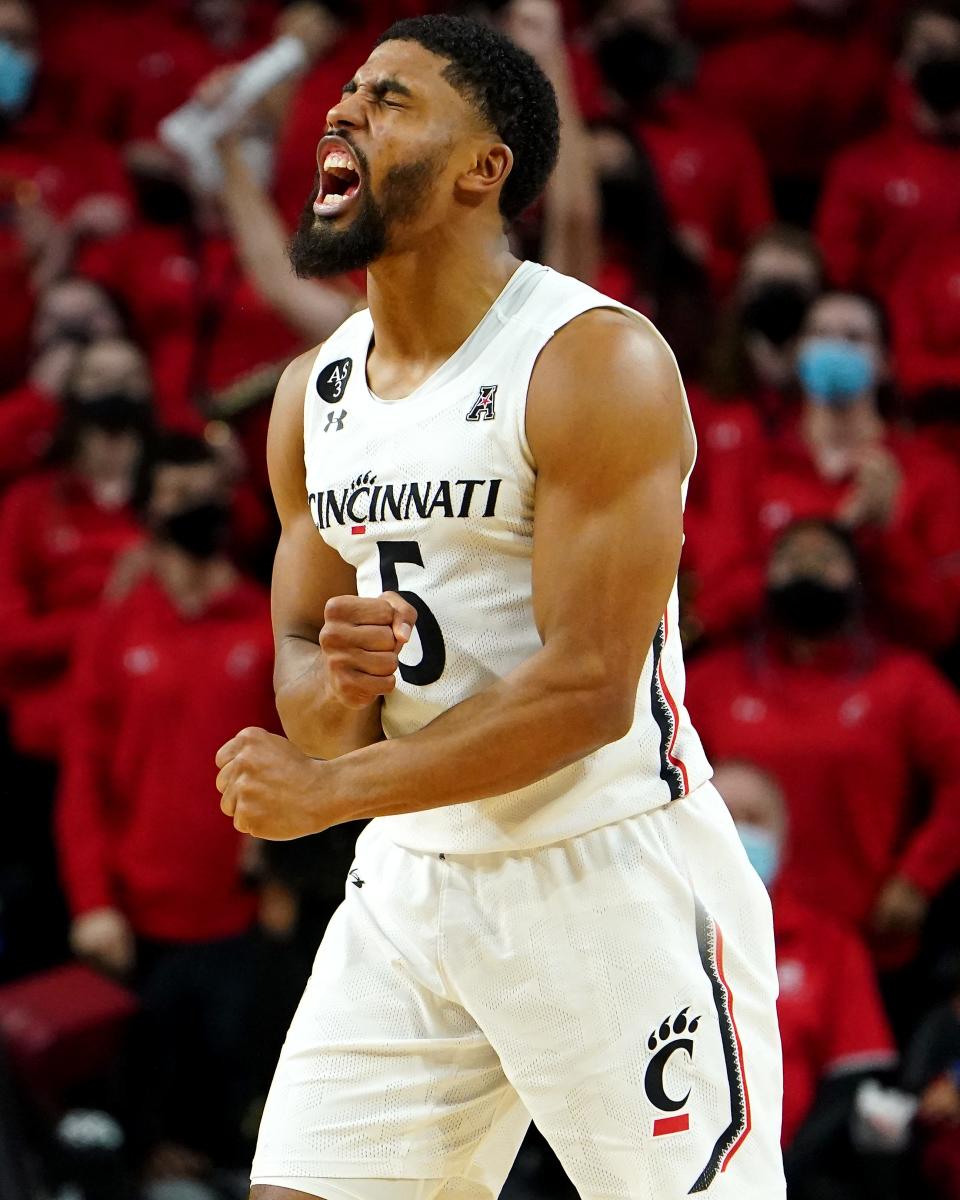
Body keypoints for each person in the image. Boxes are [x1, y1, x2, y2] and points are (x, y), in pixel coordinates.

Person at [214, 14, 785, 1198]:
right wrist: (334, 693)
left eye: (392, 99)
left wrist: (328, 791)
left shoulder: (591, 361)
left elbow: (585, 693)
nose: (343, 111)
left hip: (602, 869)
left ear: (486, 168)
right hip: (416, 875)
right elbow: (306, 669)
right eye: (349, 92)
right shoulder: (309, 396)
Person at [56, 431, 277, 1175]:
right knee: (147, 1134)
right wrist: (93, 901)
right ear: (148, 509)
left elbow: (305, 760)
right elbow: (82, 778)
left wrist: (279, 870)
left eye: (208, 492)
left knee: (235, 1128)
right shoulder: (113, 627)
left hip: (241, 922)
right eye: (178, 496)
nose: (197, 508)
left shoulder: (268, 620)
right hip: (138, 924)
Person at [688, 519, 960, 954]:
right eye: (792, 559)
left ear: (858, 579)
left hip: (867, 938)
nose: (808, 570)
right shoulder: (710, 683)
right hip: (722, 937)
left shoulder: (905, 682)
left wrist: (919, 877)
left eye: (825, 559)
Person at [714, 760, 898, 1199]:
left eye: (755, 819)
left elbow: (854, 1079)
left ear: (784, 833)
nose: (739, 831)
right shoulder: (648, 938)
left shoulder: (831, 945)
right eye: (723, 815)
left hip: (797, 1175)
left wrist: (778, 1178)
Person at [754, 290, 960, 651]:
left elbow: (941, 624)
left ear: (885, 362)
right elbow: (720, 600)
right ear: (799, 352)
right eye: (820, 334)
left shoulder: (931, 471)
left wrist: (888, 534)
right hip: (765, 673)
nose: (835, 348)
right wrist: (842, 532)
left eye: (854, 338)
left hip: (884, 680)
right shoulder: (757, 461)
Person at [816, 0, 960, 300]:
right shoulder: (862, 163)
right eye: (928, 52)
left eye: (952, 56)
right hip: (881, 321)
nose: (940, 67)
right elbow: (840, 264)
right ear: (900, 62)